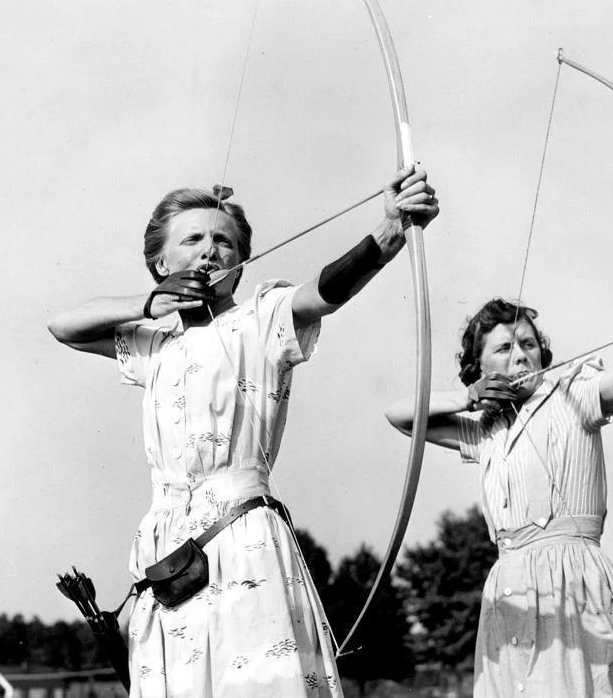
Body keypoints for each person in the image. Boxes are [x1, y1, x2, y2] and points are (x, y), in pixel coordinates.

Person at [47, 166, 438, 697]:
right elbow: (64, 325)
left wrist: (389, 232)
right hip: (167, 551)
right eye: (193, 239)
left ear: (241, 261)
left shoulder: (261, 317)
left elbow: (324, 291)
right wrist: (150, 304)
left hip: (241, 537)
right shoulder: (152, 343)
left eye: (223, 241)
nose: (210, 251)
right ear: (161, 262)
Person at [385, 290, 613, 696]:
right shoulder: (482, 429)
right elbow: (399, 415)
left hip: (572, 585)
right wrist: (467, 398)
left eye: (528, 344)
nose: (520, 355)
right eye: (504, 348)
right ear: (479, 367)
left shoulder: (574, 394)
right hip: (509, 596)